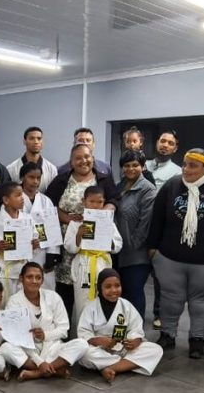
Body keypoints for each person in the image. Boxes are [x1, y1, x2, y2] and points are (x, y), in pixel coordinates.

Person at [147, 148, 204, 359]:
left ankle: (197, 339)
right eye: (185, 164)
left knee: (202, 302)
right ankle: (167, 334)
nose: (186, 169)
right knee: (170, 299)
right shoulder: (172, 185)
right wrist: (153, 248)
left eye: (193, 165)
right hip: (170, 258)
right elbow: (157, 218)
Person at [48, 143, 120, 318]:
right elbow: (49, 207)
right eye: (78, 158)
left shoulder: (103, 178)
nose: (83, 161)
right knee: (66, 293)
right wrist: (70, 220)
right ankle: (64, 335)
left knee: (93, 295)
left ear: (93, 159)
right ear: (71, 162)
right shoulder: (61, 180)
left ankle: (94, 330)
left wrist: (101, 219)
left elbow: (114, 199)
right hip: (69, 240)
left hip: (97, 249)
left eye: (87, 157)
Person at [0, 262, 88, 381]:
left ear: (42, 280)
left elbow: (64, 329)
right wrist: (39, 361)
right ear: (21, 279)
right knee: (6, 348)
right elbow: (16, 337)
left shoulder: (53, 297)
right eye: (29, 277)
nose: (34, 281)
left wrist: (45, 335)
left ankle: (36, 373)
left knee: (82, 344)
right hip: (29, 351)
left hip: (52, 346)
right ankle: (52, 369)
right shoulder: (14, 302)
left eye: (38, 277)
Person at [77, 269, 163, 382]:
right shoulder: (91, 308)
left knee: (156, 349)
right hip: (99, 350)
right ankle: (126, 364)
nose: (113, 290)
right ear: (100, 288)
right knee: (84, 354)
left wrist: (135, 341)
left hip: (123, 349)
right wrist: (99, 341)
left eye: (117, 286)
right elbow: (83, 333)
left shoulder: (126, 306)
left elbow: (136, 327)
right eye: (108, 287)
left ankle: (109, 368)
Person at [63, 186, 123, 331]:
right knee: (82, 303)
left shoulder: (109, 222)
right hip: (84, 264)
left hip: (102, 264)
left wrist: (106, 238)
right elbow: (69, 248)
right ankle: (81, 338)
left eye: (99, 202)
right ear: (84, 201)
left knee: (104, 299)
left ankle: (103, 335)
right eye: (92, 201)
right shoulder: (75, 223)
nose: (96, 205)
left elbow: (118, 245)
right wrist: (79, 234)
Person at [115, 149, 157, 318]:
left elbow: (145, 224)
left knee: (134, 293)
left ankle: (136, 331)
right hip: (117, 251)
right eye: (126, 165)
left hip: (136, 254)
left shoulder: (148, 190)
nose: (131, 169)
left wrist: (132, 244)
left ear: (143, 166)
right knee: (120, 294)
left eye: (135, 165)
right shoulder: (119, 185)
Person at [147, 130, 181, 329]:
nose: (165, 145)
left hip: (161, 229)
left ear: (175, 148)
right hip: (140, 226)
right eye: (162, 141)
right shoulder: (143, 165)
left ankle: (160, 313)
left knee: (160, 276)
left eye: (170, 143)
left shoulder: (176, 172)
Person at [0, 181, 40, 303]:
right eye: (18, 195)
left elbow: (35, 237)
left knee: (23, 305)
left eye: (22, 195)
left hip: (23, 269)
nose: (22, 199)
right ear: (6, 200)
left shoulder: (27, 219)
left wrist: (34, 244)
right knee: (3, 305)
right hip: (3, 270)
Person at [19, 162, 61, 290]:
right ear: (22, 178)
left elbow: (53, 229)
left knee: (45, 290)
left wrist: (52, 255)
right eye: (31, 177)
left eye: (38, 178)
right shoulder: (14, 198)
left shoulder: (45, 201)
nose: (35, 181)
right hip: (21, 253)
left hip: (42, 254)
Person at [7, 126, 58, 193]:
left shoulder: (52, 169)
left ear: (42, 142)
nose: (36, 142)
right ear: (24, 141)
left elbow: (54, 195)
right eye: (31, 138)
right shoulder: (11, 169)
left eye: (39, 138)